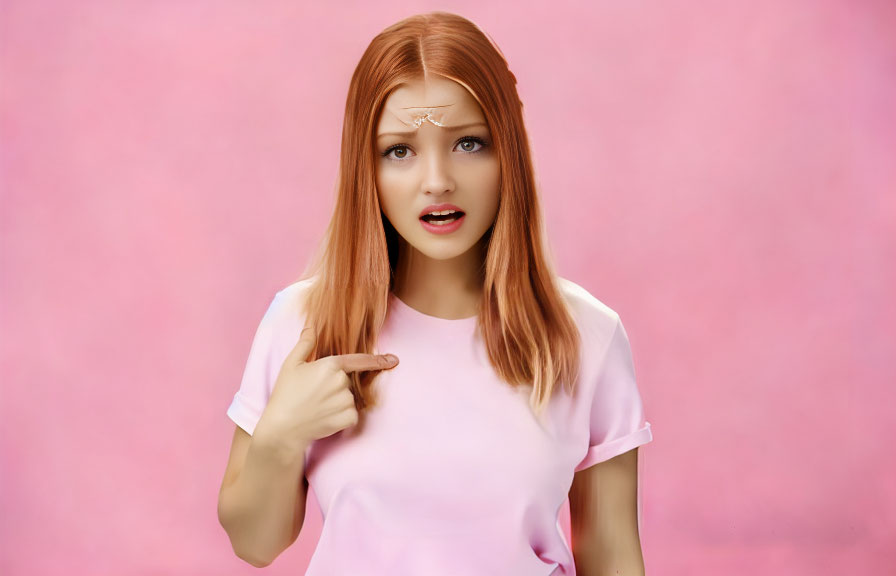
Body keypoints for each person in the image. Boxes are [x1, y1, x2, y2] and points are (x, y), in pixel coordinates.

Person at [217, 11, 653, 575]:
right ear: (364, 169)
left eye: (469, 143)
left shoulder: (587, 335)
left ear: (509, 154)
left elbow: (612, 553)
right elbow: (255, 544)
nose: (437, 179)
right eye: (399, 150)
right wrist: (279, 435)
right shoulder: (303, 324)